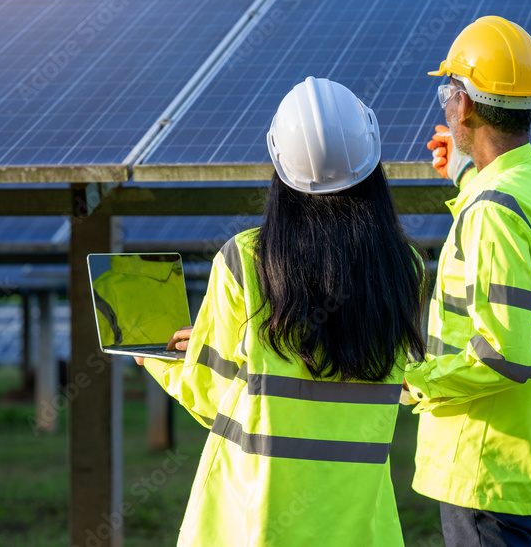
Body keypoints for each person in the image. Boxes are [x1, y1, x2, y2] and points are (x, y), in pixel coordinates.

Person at [135, 76, 426, 546]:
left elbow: (212, 397)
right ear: (372, 157)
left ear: (279, 165)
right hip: (361, 525)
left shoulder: (245, 259)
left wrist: (161, 360)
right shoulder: (402, 267)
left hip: (254, 523)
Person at [403, 16, 531, 546]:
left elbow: (504, 354)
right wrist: (466, 173)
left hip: (484, 465)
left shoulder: (493, 210)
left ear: (467, 107)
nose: (446, 106)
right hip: (521, 452)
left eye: (448, 93)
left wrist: (414, 380)